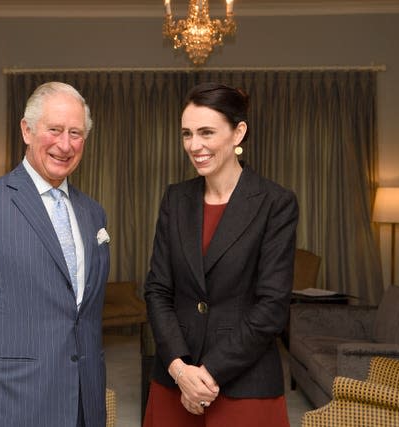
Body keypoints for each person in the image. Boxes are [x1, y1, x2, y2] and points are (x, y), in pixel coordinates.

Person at [0, 82, 110, 427]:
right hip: (7, 400)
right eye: (55, 130)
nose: (65, 144)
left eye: (76, 133)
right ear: (27, 131)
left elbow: (85, 313)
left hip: (82, 398)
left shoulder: (93, 213)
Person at [143, 82, 299, 427]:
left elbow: (272, 307)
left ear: (238, 132)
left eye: (206, 132)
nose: (194, 145)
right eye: (187, 134)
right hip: (174, 382)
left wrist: (208, 374)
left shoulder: (276, 203)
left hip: (245, 385)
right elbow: (157, 291)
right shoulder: (175, 199)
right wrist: (180, 369)